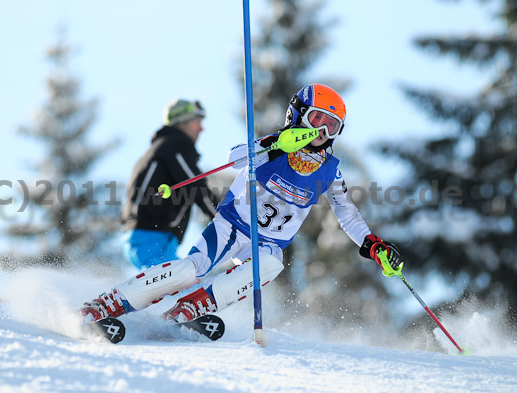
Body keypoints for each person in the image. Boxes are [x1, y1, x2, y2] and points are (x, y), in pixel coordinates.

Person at [81, 83, 402, 324]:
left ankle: (196, 305)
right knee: (189, 270)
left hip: (267, 243)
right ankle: (113, 301)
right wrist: (276, 143)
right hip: (230, 228)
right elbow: (233, 158)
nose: (321, 130)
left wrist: (371, 244)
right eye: (317, 118)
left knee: (272, 264)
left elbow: (346, 211)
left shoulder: (330, 170)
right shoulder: (272, 147)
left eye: (331, 125)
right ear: (299, 114)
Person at [120, 99, 217, 269]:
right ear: (182, 123)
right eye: (197, 122)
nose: (201, 129)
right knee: (182, 284)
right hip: (150, 237)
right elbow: (195, 185)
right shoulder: (174, 145)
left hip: (151, 238)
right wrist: (222, 217)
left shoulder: (161, 148)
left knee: (184, 282)